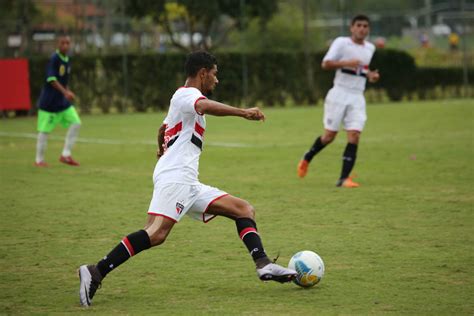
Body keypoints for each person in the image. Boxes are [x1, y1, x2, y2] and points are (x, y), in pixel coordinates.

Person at [78, 51, 296, 307]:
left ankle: (263, 264)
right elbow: (203, 106)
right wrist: (242, 112)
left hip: (186, 179)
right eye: (214, 74)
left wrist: (161, 148)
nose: (217, 80)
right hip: (176, 176)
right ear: (203, 72)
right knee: (156, 233)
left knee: (243, 209)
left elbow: (162, 129)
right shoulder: (188, 95)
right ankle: (96, 271)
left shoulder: (180, 99)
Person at [297, 14, 380, 187]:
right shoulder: (342, 42)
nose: (362, 29)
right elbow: (325, 64)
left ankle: (344, 179)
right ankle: (307, 157)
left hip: (357, 96)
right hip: (339, 94)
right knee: (329, 136)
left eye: (365, 26)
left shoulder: (370, 48)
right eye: (359, 25)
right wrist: (347, 62)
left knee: (355, 134)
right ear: (352, 27)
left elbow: (361, 69)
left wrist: (370, 75)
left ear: (368, 29)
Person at [35, 35, 81, 167]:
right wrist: (65, 92)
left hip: (62, 103)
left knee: (76, 123)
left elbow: (63, 81)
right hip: (49, 103)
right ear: (58, 44)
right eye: (63, 43)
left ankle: (66, 155)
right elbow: (52, 80)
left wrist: (67, 91)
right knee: (44, 131)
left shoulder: (67, 60)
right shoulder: (54, 59)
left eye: (68, 43)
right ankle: (39, 160)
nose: (66, 45)